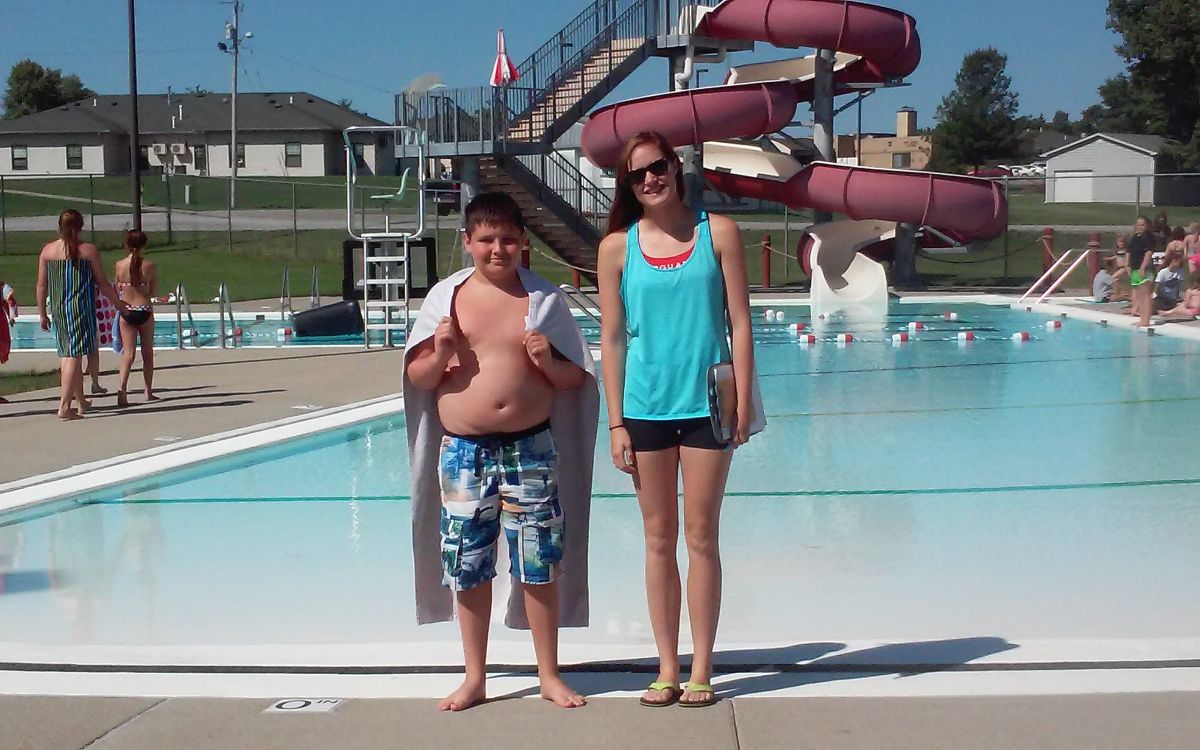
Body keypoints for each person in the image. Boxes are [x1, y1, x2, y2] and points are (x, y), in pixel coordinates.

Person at [402, 192, 598, 712]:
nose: (497, 248)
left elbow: (575, 379)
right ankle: (475, 675)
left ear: (523, 243)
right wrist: (441, 351)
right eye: (486, 238)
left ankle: (549, 673)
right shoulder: (446, 301)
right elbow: (417, 377)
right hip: (464, 453)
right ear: (467, 242)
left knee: (538, 563)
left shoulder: (543, 300)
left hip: (529, 448)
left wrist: (545, 361)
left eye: (508, 238)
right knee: (469, 565)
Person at [597, 131, 760, 709]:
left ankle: (702, 666)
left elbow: (739, 321)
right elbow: (612, 338)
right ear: (629, 186)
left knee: (701, 537)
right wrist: (614, 422)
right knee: (658, 539)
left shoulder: (719, 233)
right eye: (637, 175)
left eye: (657, 167)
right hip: (644, 408)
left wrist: (742, 396)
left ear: (675, 166)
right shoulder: (618, 247)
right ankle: (666, 666)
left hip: (707, 407)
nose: (650, 180)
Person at [35, 209, 125, 420]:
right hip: (80, 309)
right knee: (72, 356)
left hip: (58, 310)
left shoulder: (48, 251)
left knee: (67, 353)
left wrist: (42, 313)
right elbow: (102, 282)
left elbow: (41, 286)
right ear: (80, 226)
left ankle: (81, 401)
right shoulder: (87, 250)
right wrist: (119, 304)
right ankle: (65, 406)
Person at [114, 229, 158, 407]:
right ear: (144, 245)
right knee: (147, 352)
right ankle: (148, 390)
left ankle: (122, 388)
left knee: (128, 354)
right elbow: (152, 291)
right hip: (144, 309)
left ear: (126, 244)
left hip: (127, 310)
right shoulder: (150, 266)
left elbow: (118, 288)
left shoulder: (119, 265)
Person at [1128, 216, 1155, 327]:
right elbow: (1129, 251)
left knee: (1145, 295)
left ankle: (1146, 320)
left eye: (1142, 224)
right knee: (1139, 295)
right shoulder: (1135, 237)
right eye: (1138, 224)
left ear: (1147, 226)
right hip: (1135, 268)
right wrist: (1127, 265)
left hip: (1144, 269)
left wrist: (1143, 267)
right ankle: (1142, 318)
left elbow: (1149, 252)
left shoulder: (1148, 237)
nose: (1140, 227)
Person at [1152, 250, 1188, 318]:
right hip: (1162, 298)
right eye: (1180, 262)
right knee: (1156, 309)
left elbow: (1178, 286)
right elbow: (1156, 287)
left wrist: (1177, 297)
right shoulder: (1163, 272)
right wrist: (1154, 298)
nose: (1181, 265)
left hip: (1173, 298)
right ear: (1174, 260)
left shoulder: (1180, 271)